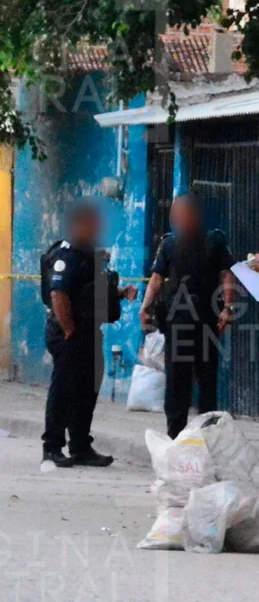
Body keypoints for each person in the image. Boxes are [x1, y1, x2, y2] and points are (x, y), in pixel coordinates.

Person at [41, 202, 138, 467]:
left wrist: (120, 293)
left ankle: (81, 446)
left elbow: (89, 292)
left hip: (89, 332)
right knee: (63, 390)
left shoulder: (88, 255)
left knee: (87, 390)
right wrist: (70, 329)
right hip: (68, 332)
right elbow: (58, 294)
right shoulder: (67, 255)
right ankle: (52, 447)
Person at [138, 193, 235, 438]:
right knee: (177, 380)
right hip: (178, 321)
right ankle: (176, 436)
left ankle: (208, 435)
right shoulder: (169, 244)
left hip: (205, 319)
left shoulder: (215, 241)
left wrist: (228, 307)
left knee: (206, 379)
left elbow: (226, 275)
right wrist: (146, 306)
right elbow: (157, 278)